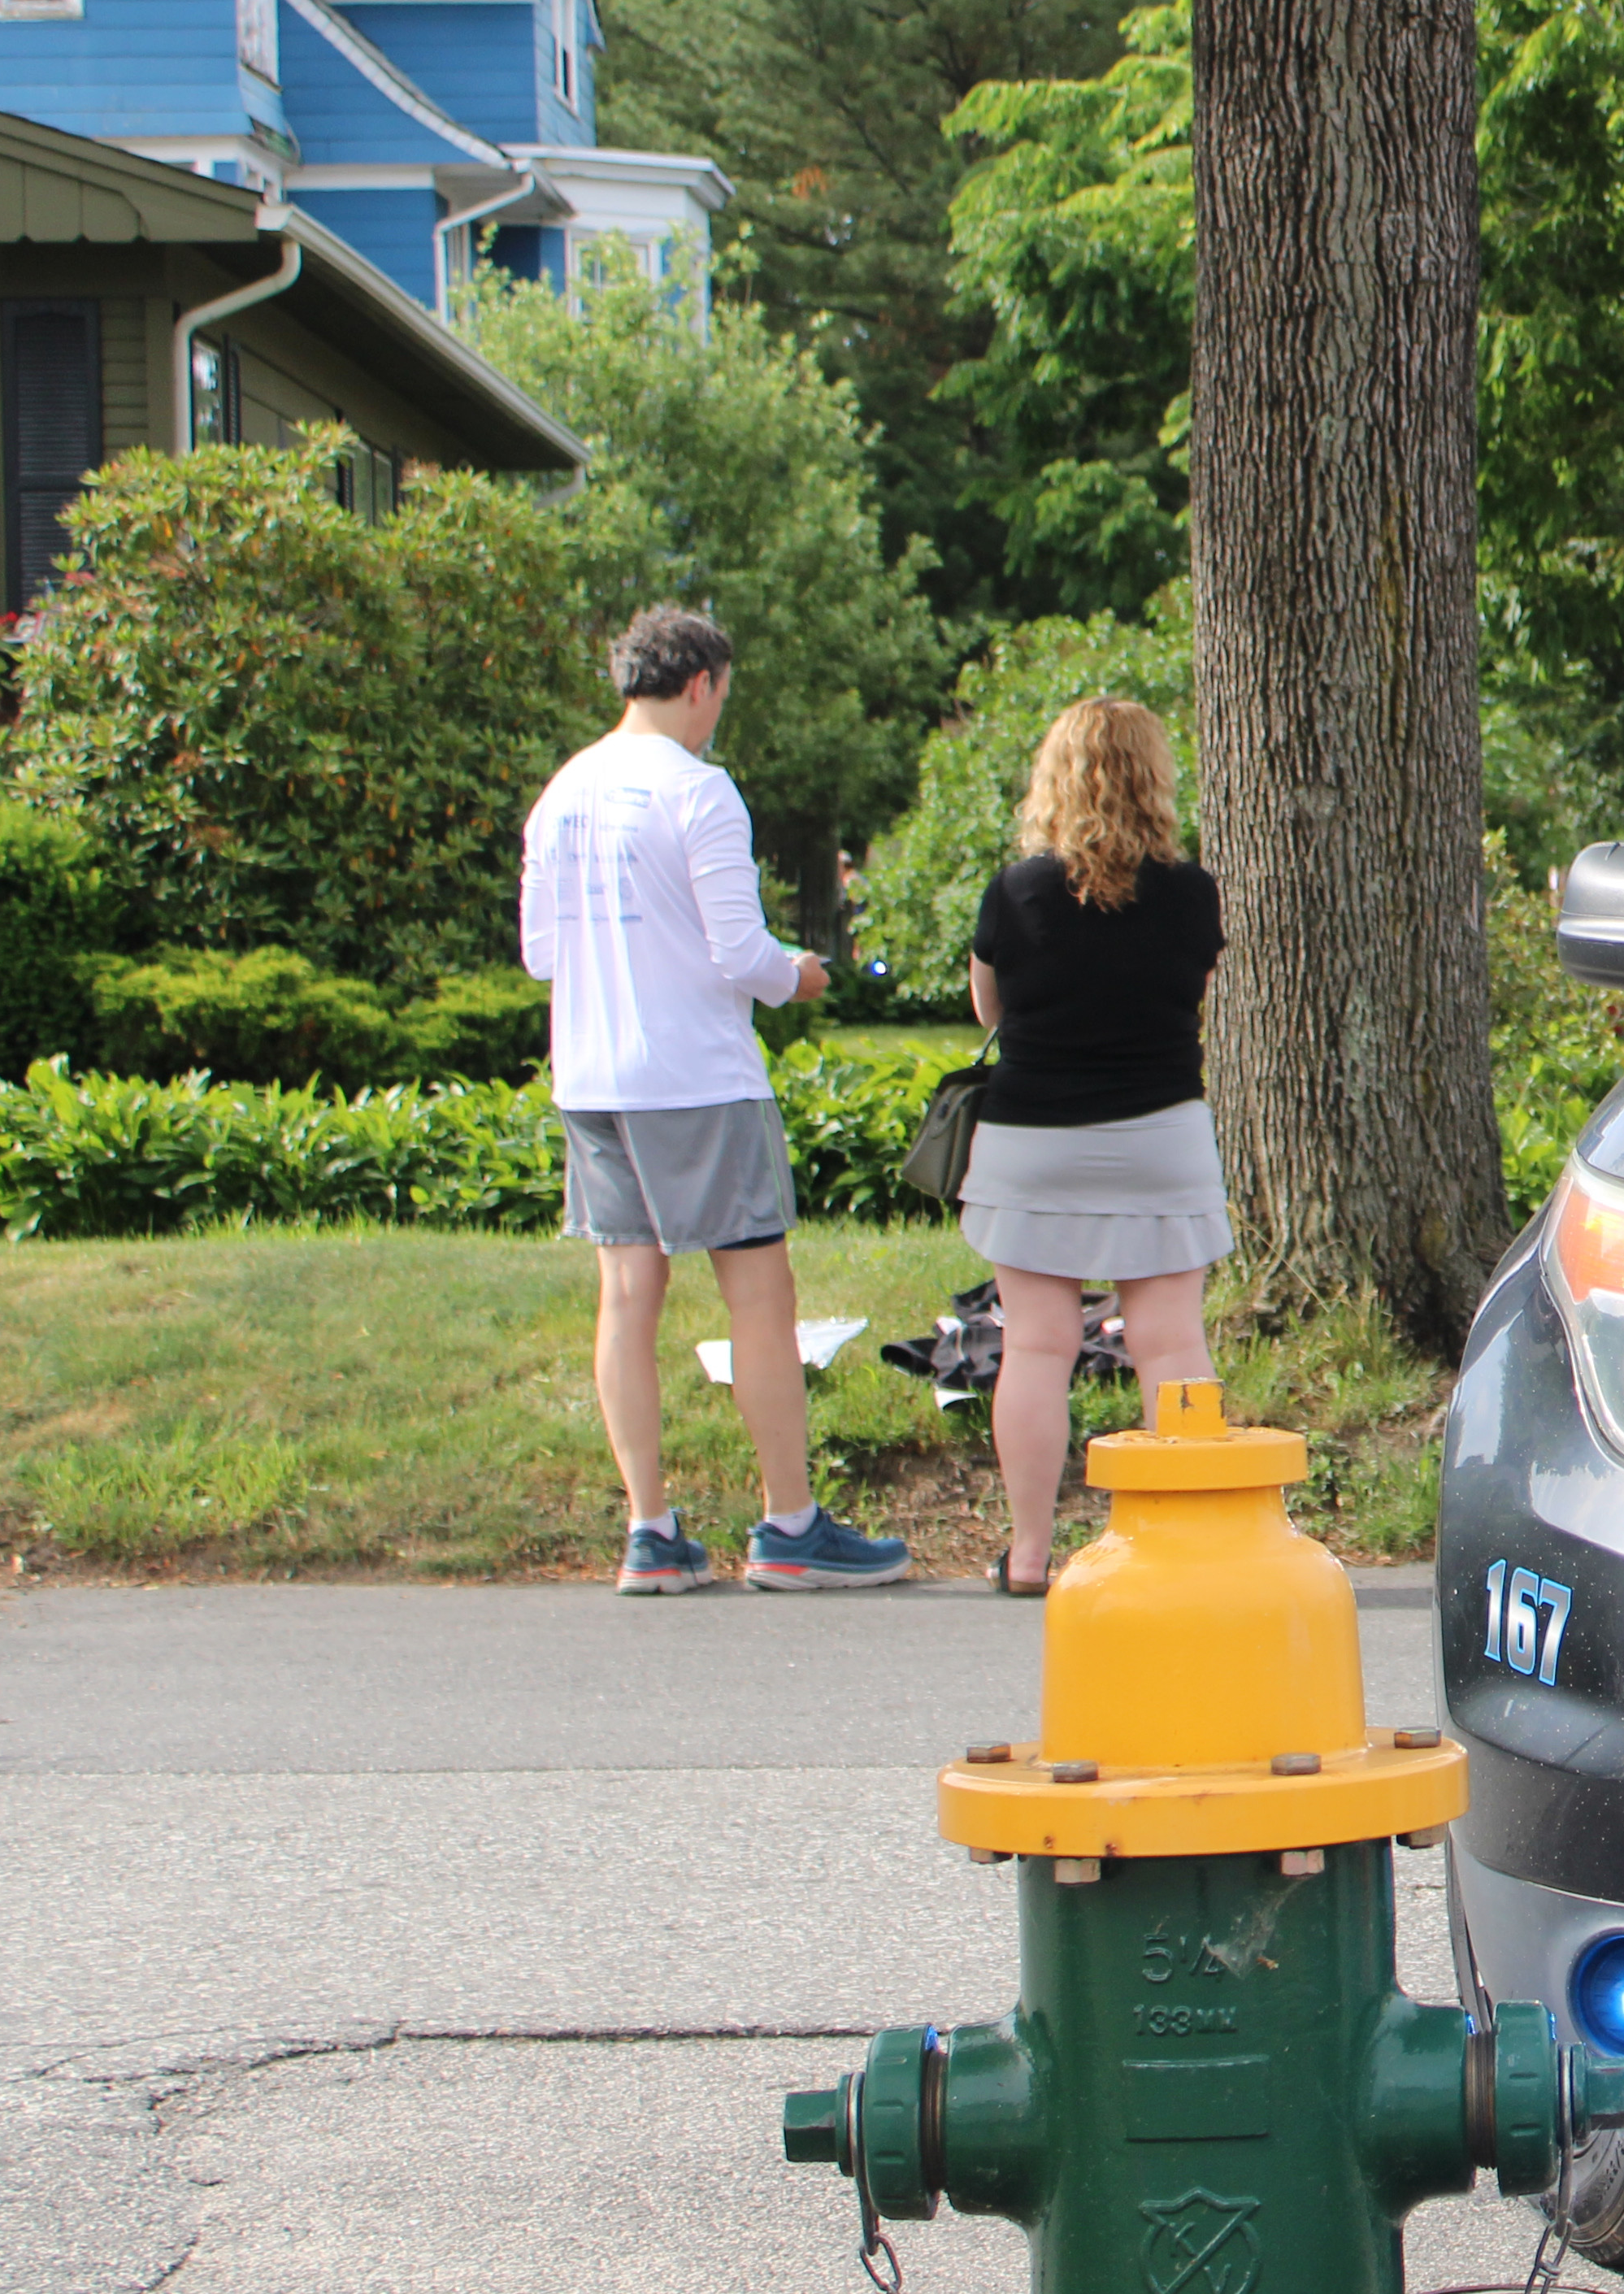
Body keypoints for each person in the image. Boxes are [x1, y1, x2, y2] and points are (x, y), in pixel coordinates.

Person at [522, 606, 910, 1594]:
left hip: (592, 1075)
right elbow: (741, 953)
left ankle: (651, 1530)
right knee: (760, 1295)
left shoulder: (561, 793)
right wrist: (805, 975)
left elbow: (539, 955)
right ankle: (789, 1523)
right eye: (720, 699)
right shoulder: (699, 791)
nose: (717, 719)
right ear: (700, 682)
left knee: (626, 1297)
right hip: (695, 1074)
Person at [962, 697, 1233, 1594]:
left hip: (1033, 1138)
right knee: (1169, 1339)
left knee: (1038, 1345)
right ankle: (1186, 1544)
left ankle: (1032, 1554)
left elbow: (990, 1011)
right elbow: (1187, 992)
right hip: (1160, 1133)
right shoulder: (1194, 894)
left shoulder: (1015, 892)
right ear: (1154, 780)